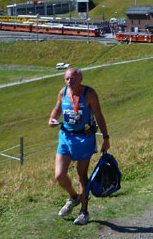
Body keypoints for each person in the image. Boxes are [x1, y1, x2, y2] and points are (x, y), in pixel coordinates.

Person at [48, 68, 110, 225]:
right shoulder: (63, 92)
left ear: (80, 78)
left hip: (84, 138)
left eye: (73, 78)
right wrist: (52, 118)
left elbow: (99, 115)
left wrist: (106, 138)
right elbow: (57, 108)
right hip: (65, 137)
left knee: (82, 176)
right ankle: (74, 197)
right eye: (67, 79)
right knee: (59, 175)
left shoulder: (89, 94)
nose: (70, 81)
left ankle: (84, 211)